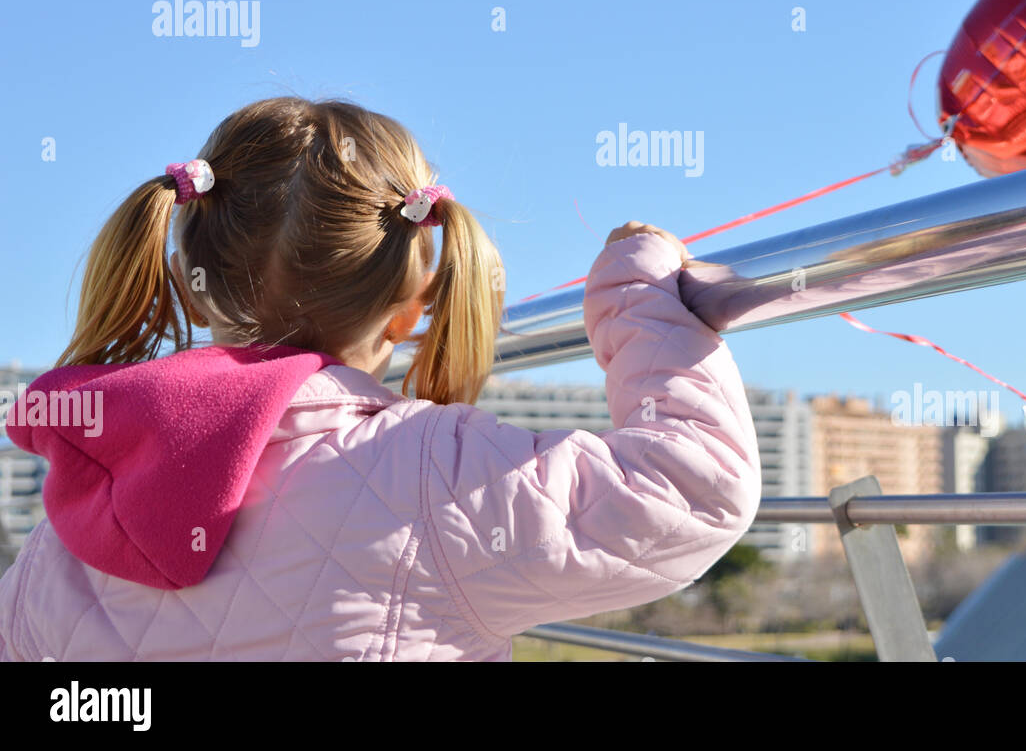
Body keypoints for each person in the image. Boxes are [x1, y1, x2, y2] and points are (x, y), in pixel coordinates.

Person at [0, 97, 761, 661]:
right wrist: (638, 294)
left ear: (187, 282)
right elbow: (693, 489)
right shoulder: (433, 475)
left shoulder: (76, 510)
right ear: (411, 308)